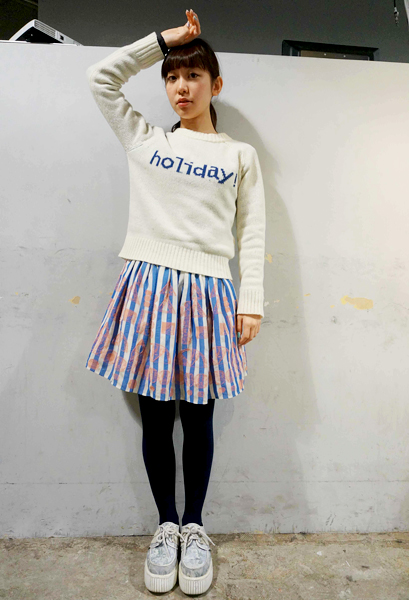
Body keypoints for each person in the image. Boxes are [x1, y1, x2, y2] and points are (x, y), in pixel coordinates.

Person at [84, 9, 266, 595]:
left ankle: (195, 527)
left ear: (216, 84)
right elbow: (100, 78)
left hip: (209, 291)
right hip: (149, 287)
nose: (181, 87)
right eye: (172, 77)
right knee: (157, 415)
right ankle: (165, 526)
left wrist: (251, 300)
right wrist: (165, 42)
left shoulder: (239, 155)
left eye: (193, 75)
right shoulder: (147, 139)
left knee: (200, 415)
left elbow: (252, 231)